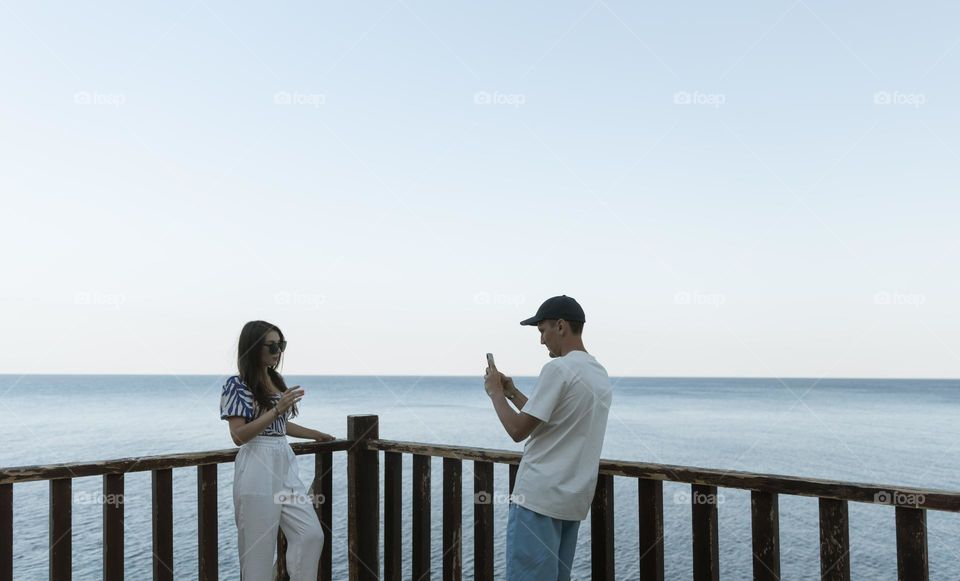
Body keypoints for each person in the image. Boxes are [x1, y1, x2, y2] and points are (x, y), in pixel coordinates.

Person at [484, 295, 612, 581]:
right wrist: (513, 393)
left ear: (562, 326)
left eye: (543, 330)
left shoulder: (558, 369)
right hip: (572, 502)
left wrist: (495, 393)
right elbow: (554, 420)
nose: (541, 340)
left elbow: (518, 430)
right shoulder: (598, 373)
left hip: (537, 500)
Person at [220, 320, 335, 580]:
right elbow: (239, 435)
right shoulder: (236, 385)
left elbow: (279, 425)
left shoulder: (273, 379)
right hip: (256, 463)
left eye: (281, 345)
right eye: (271, 345)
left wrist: (314, 434)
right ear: (252, 347)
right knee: (257, 553)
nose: (277, 351)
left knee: (311, 535)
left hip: (282, 460)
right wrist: (277, 409)